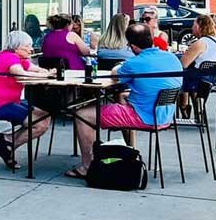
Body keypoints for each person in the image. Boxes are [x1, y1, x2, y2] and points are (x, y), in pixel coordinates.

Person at [72, 22, 183, 175]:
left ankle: (87, 166)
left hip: (145, 117)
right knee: (123, 96)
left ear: (133, 46)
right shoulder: (172, 58)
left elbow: (114, 75)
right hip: (165, 115)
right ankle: (129, 149)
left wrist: (121, 64)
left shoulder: (134, 63)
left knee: (82, 114)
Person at [0, 30, 51, 167]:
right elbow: (21, 74)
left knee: (45, 116)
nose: (31, 50)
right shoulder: (9, 58)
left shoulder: (17, 58)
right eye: (28, 46)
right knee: (40, 123)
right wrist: (47, 76)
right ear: (17, 47)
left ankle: (8, 141)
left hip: (9, 102)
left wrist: (47, 72)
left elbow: (36, 69)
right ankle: (9, 145)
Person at [177, 14, 216, 117]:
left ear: (198, 26)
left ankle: (184, 109)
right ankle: (195, 110)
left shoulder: (201, 43)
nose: (192, 28)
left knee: (179, 76)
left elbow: (182, 64)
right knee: (186, 75)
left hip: (197, 80)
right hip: (210, 78)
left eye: (193, 25)